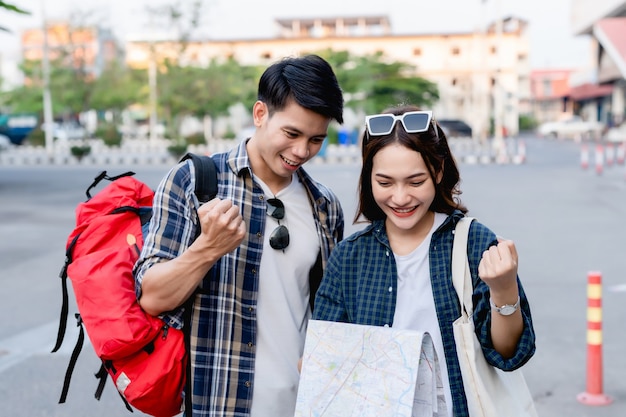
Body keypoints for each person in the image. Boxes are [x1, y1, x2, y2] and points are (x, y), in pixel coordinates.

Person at [133, 54, 345, 417]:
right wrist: (209, 248)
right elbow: (151, 297)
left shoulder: (325, 206)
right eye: (291, 134)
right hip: (219, 403)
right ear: (260, 114)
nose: (301, 151)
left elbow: (330, 311)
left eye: (316, 140)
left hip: (304, 405)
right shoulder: (193, 182)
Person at [312, 104, 535, 417]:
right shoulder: (349, 257)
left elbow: (508, 353)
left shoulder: (472, 242)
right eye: (385, 182)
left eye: (415, 182)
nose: (401, 198)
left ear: (438, 172)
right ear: (368, 177)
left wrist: (503, 290)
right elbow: (327, 361)